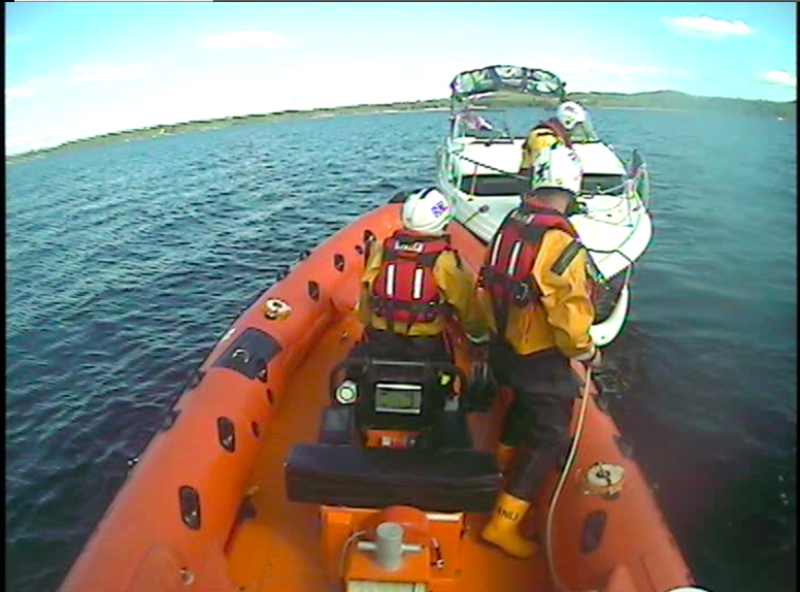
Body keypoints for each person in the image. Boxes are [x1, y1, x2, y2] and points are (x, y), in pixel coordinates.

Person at [477, 144, 603, 558]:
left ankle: (498, 467)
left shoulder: (510, 223)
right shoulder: (558, 240)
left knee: (521, 409)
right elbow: (569, 311)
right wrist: (584, 351)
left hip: (503, 347)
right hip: (537, 356)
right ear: (571, 188)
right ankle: (502, 523)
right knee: (549, 434)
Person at [352, 187, 490, 406]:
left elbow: (367, 290)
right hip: (425, 342)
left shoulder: (383, 252)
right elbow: (465, 304)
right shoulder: (443, 260)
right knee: (444, 377)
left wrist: (366, 320)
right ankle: (445, 400)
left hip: (380, 336)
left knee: (363, 366)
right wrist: (480, 336)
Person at [518, 101, 588, 176]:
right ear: (568, 122)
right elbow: (547, 165)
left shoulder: (557, 136)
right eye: (577, 125)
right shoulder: (544, 137)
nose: (576, 129)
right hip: (533, 180)